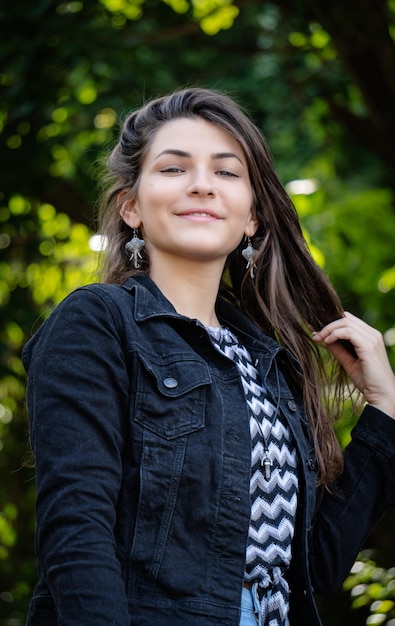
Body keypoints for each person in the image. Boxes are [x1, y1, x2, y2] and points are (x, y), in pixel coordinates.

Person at [22, 87, 395, 626]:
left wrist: (383, 409)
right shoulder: (97, 323)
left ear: (251, 218)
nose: (202, 184)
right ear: (131, 207)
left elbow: (313, 569)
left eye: (226, 172)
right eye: (173, 169)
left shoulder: (267, 360)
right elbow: (76, 535)